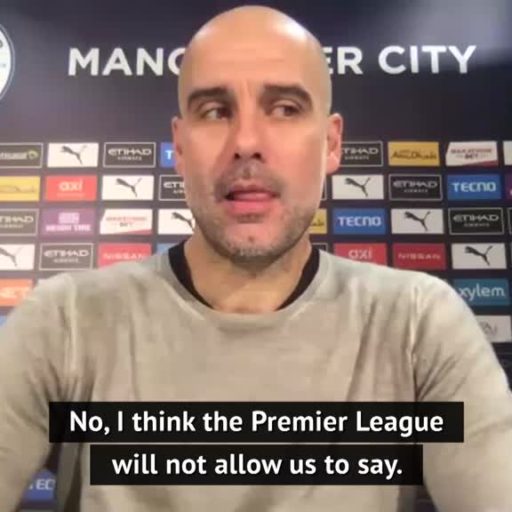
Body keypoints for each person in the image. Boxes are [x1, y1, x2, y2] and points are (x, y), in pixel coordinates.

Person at [1, 5, 511, 512]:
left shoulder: (418, 324)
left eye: (285, 108)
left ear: (331, 143)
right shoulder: (66, 322)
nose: (246, 142)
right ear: (180, 147)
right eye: (215, 111)